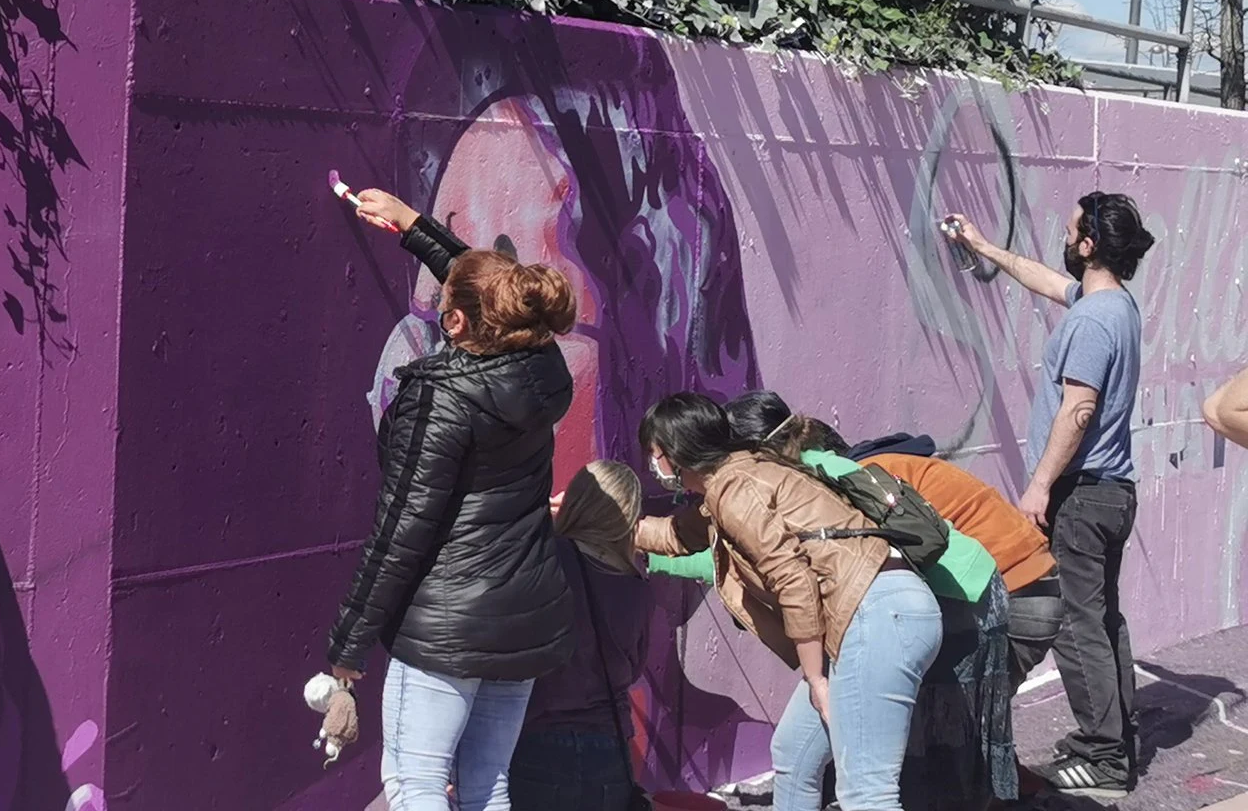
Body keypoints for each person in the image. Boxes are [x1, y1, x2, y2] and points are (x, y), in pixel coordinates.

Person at [327, 190, 579, 811]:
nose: (439, 309)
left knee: (415, 787)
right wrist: (413, 227)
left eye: (445, 306)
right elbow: (492, 288)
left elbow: (402, 529)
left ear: (458, 323)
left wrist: (348, 649)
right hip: (522, 616)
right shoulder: (540, 364)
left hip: (446, 625)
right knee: (487, 784)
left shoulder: (440, 398)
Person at [635, 394, 943, 811]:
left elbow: (793, 580)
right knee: (795, 754)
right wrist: (601, 518)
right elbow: (676, 535)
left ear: (675, 453)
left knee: (867, 792)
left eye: (655, 454)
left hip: (875, 616)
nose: (654, 466)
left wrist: (817, 680)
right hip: (871, 613)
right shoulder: (737, 479)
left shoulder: (736, 490)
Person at [945, 193, 1153, 797]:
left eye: (1069, 232)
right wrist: (984, 248)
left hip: (1080, 497)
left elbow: (1079, 408)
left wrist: (1038, 486)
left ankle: (1104, 756)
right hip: (1112, 494)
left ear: (1088, 245)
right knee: (1102, 620)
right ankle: (1116, 736)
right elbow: (1047, 280)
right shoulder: (1113, 305)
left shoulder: (1091, 321)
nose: (1062, 240)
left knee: (1074, 624)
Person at [731, 393, 1020, 811]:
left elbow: (756, 558)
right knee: (803, 752)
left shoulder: (799, 484)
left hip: (943, 600)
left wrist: (651, 553)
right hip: (943, 590)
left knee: (887, 780)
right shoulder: (821, 466)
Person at [726, 393, 1060, 682]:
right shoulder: (876, 467)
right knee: (957, 731)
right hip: (1031, 586)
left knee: (940, 731)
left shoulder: (851, 484)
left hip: (1004, 596)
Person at [511, 461, 652, 811]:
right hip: (609, 754)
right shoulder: (636, 585)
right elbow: (632, 670)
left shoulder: (547, 559)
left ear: (576, 502)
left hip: (536, 745)